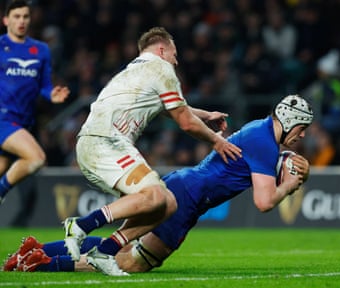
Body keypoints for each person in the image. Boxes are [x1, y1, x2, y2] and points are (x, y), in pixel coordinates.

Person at [3, 94, 313, 274]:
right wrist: (289, 184)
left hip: (185, 185)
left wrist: (284, 160)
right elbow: (264, 202)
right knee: (132, 262)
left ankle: (36, 250)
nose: (303, 135)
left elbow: (257, 163)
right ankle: (40, 263)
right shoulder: (265, 143)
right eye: (302, 128)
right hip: (189, 197)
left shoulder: (260, 129)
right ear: (291, 122)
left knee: (122, 245)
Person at [60, 27, 242, 276]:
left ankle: (106, 251)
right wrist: (217, 141)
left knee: (167, 204)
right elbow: (185, 122)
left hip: (97, 144)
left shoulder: (137, 71)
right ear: (161, 49)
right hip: (105, 142)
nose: (176, 61)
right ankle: (81, 224)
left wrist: (207, 115)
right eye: (174, 54)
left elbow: (172, 108)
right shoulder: (161, 68)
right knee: (156, 194)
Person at [0, 0, 70, 204]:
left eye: (25, 16)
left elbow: (44, 85)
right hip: (3, 119)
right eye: (16, 16)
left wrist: (52, 94)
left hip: (24, 123)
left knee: (4, 166)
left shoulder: (41, 50)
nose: (21, 21)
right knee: (36, 158)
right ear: (6, 20)